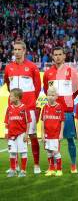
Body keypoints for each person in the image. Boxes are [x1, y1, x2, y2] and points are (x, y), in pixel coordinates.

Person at [4, 41, 42, 174]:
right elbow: (9, 86)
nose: (17, 52)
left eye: (19, 49)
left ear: (24, 51)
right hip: (14, 109)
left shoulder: (32, 67)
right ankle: (15, 167)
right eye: (15, 49)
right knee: (14, 135)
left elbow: (37, 87)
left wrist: (30, 101)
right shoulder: (8, 67)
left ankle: (36, 164)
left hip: (29, 108)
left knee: (31, 135)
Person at [43, 46, 78, 173]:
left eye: (60, 54)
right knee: (51, 141)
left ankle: (73, 165)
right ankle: (52, 166)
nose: (57, 57)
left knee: (70, 140)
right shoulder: (48, 73)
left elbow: (76, 90)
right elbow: (46, 89)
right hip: (53, 113)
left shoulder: (71, 72)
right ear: (52, 56)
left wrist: (68, 101)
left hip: (67, 112)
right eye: (55, 54)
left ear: (64, 56)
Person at [4, 88, 31, 178]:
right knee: (12, 152)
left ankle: (23, 170)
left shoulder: (24, 108)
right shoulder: (9, 108)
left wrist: (26, 134)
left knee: (23, 152)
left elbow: (28, 122)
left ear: (17, 98)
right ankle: (13, 169)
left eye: (11, 96)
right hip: (11, 134)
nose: (10, 98)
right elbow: (6, 121)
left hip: (21, 134)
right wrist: (6, 132)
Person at [41, 87, 64, 177]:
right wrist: (42, 134)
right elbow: (42, 121)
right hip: (47, 135)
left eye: (53, 95)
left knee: (55, 152)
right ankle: (51, 169)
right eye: (49, 95)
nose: (50, 97)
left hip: (55, 135)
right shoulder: (45, 107)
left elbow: (62, 121)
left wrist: (61, 133)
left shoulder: (59, 107)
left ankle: (59, 169)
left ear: (56, 96)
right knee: (49, 152)